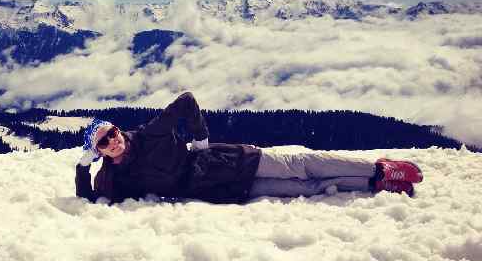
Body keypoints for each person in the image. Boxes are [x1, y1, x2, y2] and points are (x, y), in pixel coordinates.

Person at [75, 92, 423, 204]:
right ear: (98, 152)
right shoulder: (115, 177)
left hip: (228, 161)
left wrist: (200, 139)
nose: (113, 140)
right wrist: (82, 166)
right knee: (305, 189)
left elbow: (186, 101)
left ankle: (378, 168)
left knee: (299, 165)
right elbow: (90, 200)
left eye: (112, 132)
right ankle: (375, 184)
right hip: (220, 189)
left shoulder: (149, 134)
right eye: (103, 141)